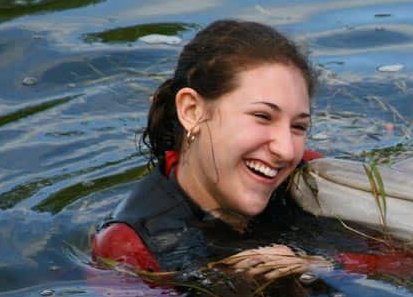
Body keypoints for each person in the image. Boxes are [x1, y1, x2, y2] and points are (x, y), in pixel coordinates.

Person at [91, 19, 326, 280]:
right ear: (192, 111)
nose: (285, 151)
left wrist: (317, 266)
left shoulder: (312, 180)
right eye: (262, 116)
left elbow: (375, 264)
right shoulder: (129, 247)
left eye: (298, 126)